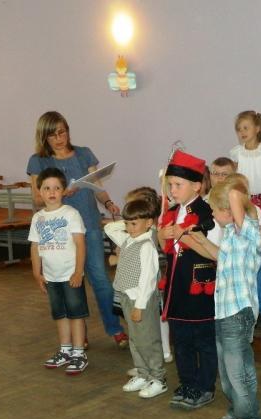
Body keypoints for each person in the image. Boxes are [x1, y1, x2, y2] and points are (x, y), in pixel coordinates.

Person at [27, 111, 128, 348]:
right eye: (52, 135)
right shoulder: (38, 160)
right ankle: (79, 334)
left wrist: (108, 203)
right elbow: (37, 198)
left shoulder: (83, 153)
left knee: (100, 279)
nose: (59, 138)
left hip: (89, 224)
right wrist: (62, 193)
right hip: (59, 230)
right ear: (43, 137)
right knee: (73, 282)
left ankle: (115, 329)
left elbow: (97, 186)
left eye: (62, 132)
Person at [190, 175, 261, 419]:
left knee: (237, 372)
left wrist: (232, 191)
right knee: (227, 369)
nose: (211, 213)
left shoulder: (249, 231)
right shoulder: (232, 234)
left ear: (228, 210)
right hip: (223, 312)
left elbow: (235, 195)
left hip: (238, 312)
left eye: (214, 208)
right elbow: (221, 257)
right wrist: (199, 240)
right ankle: (237, 410)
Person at [158, 150, 218, 410]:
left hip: (199, 288)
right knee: (181, 340)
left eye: (177, 185)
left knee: (203, 341)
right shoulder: (171, 212)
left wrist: (182, 235)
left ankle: (205, 386)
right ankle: (187, 382)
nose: (172, 190)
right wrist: (162, 234)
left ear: (196, 185)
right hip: (176, 288)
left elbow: (211, 249)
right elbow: (165, 247)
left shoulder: (207, 212)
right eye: (170, 185)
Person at [29, 167, 88, 374]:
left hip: (70, 275)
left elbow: (80, 244)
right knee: (60, 314)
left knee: (76, 314)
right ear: (40, 191)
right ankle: (65, 350)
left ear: (63, 191)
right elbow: (35, 247)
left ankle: (79, 353)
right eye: (47, 188)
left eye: (56, 188)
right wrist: (37, 274)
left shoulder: (71, 214)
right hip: (51, 277)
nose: (52, 192)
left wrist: (78, 271)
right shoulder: (38, 218)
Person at [105, 199, 166, 399]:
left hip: (142, 300)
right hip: (127, 298)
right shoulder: (129, 239)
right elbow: (109, 229)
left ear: (149, 223)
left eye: (133, 223)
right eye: (127, 223)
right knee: (135, 339)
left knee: (148, 340)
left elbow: (148, 279)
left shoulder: (147, 246)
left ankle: (158, 378)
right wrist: (128, 221)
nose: (129, 228)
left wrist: (139, 306)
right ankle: (143, 373)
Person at [206, 159, 261, 327]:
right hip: (224, 255)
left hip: (245, 256)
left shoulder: (248, 210)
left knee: (260, 277)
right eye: (215, 174)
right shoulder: (209, 202)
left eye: (225, 175)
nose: (220, 178)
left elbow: (260, 232)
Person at [229, 110, 261, 218]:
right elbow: (232, 177)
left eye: (245, 128)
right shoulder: (237, 152)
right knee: (248, 226)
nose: (242, 132)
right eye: (239, 129)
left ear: (257, 129)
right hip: (244, 198)